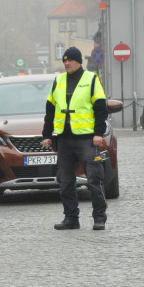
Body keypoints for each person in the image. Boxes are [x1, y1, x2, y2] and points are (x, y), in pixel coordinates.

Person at [41, 46, 110, 231]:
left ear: (79, 61)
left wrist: (98, 133)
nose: (67, 63)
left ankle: (99, 218)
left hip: (86, 139)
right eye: (64, 61)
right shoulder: (59, 80)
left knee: (94, 180)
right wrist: (47, 135)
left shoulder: (91, 79)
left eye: (70, 60)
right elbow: (50, 110)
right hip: (64, 139)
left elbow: (101, 109)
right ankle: (71, 218)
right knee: (65, 181)